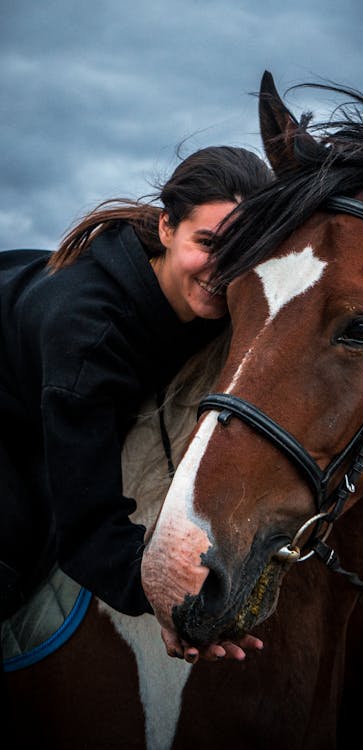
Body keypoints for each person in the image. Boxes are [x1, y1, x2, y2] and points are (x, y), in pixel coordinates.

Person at [0, 146, 273, 662]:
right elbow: (86, 527)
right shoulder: (89, 336)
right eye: (208, 242)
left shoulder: (220, 295)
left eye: (244, 252)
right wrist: (165, 600)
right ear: (167, 228)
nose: (224, 269)